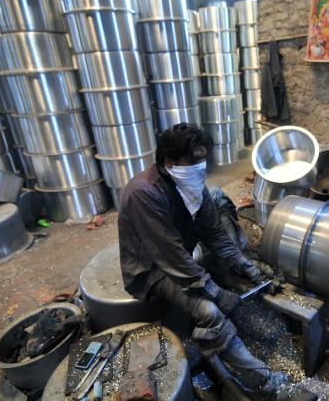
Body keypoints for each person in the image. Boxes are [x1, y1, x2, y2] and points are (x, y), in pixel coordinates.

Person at [118, 123, 286, 396]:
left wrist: (250, 269)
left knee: (219, 200)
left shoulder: (191, 185)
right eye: (193, 161)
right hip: (151, 267)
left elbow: (217, 237)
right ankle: (263, 382)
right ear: (169, 162)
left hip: (178, 253)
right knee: (209, 312)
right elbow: (171, 258)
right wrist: (217, 294)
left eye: (202, 159)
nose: (200, 167)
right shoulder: (144, 193)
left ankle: (229, 319)